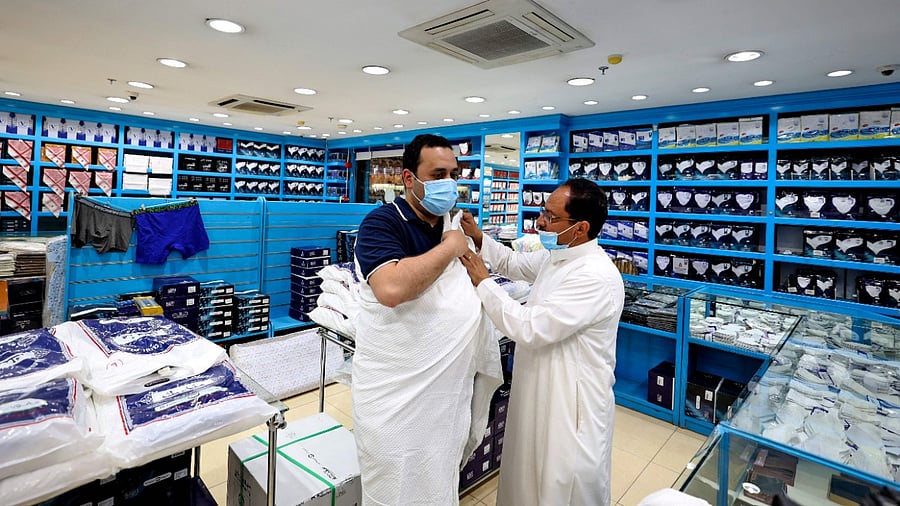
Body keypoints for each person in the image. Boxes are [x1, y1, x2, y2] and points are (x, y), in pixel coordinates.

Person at [351, 133, 500, 505]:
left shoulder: (453, 225)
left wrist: (470, 246)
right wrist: (451, 249)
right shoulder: (381, 223)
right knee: (394, 484)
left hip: (445, 401)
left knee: (437, 481)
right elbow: (391, 289)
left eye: (454, 173)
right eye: (437, 174)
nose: (449, 183)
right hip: (395, 397)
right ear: (408, 178)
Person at [459, 177, 625, 506]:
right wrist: (479, 238)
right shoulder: (559, 257)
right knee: (526, 477)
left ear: (581, 228)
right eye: (542, 211)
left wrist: (483, 282)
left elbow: (530, 327)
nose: (540, 221)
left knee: (561, 486)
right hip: (539, 390)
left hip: (570, 405)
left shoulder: (594, 276)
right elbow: (514, 263)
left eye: (551, 216)